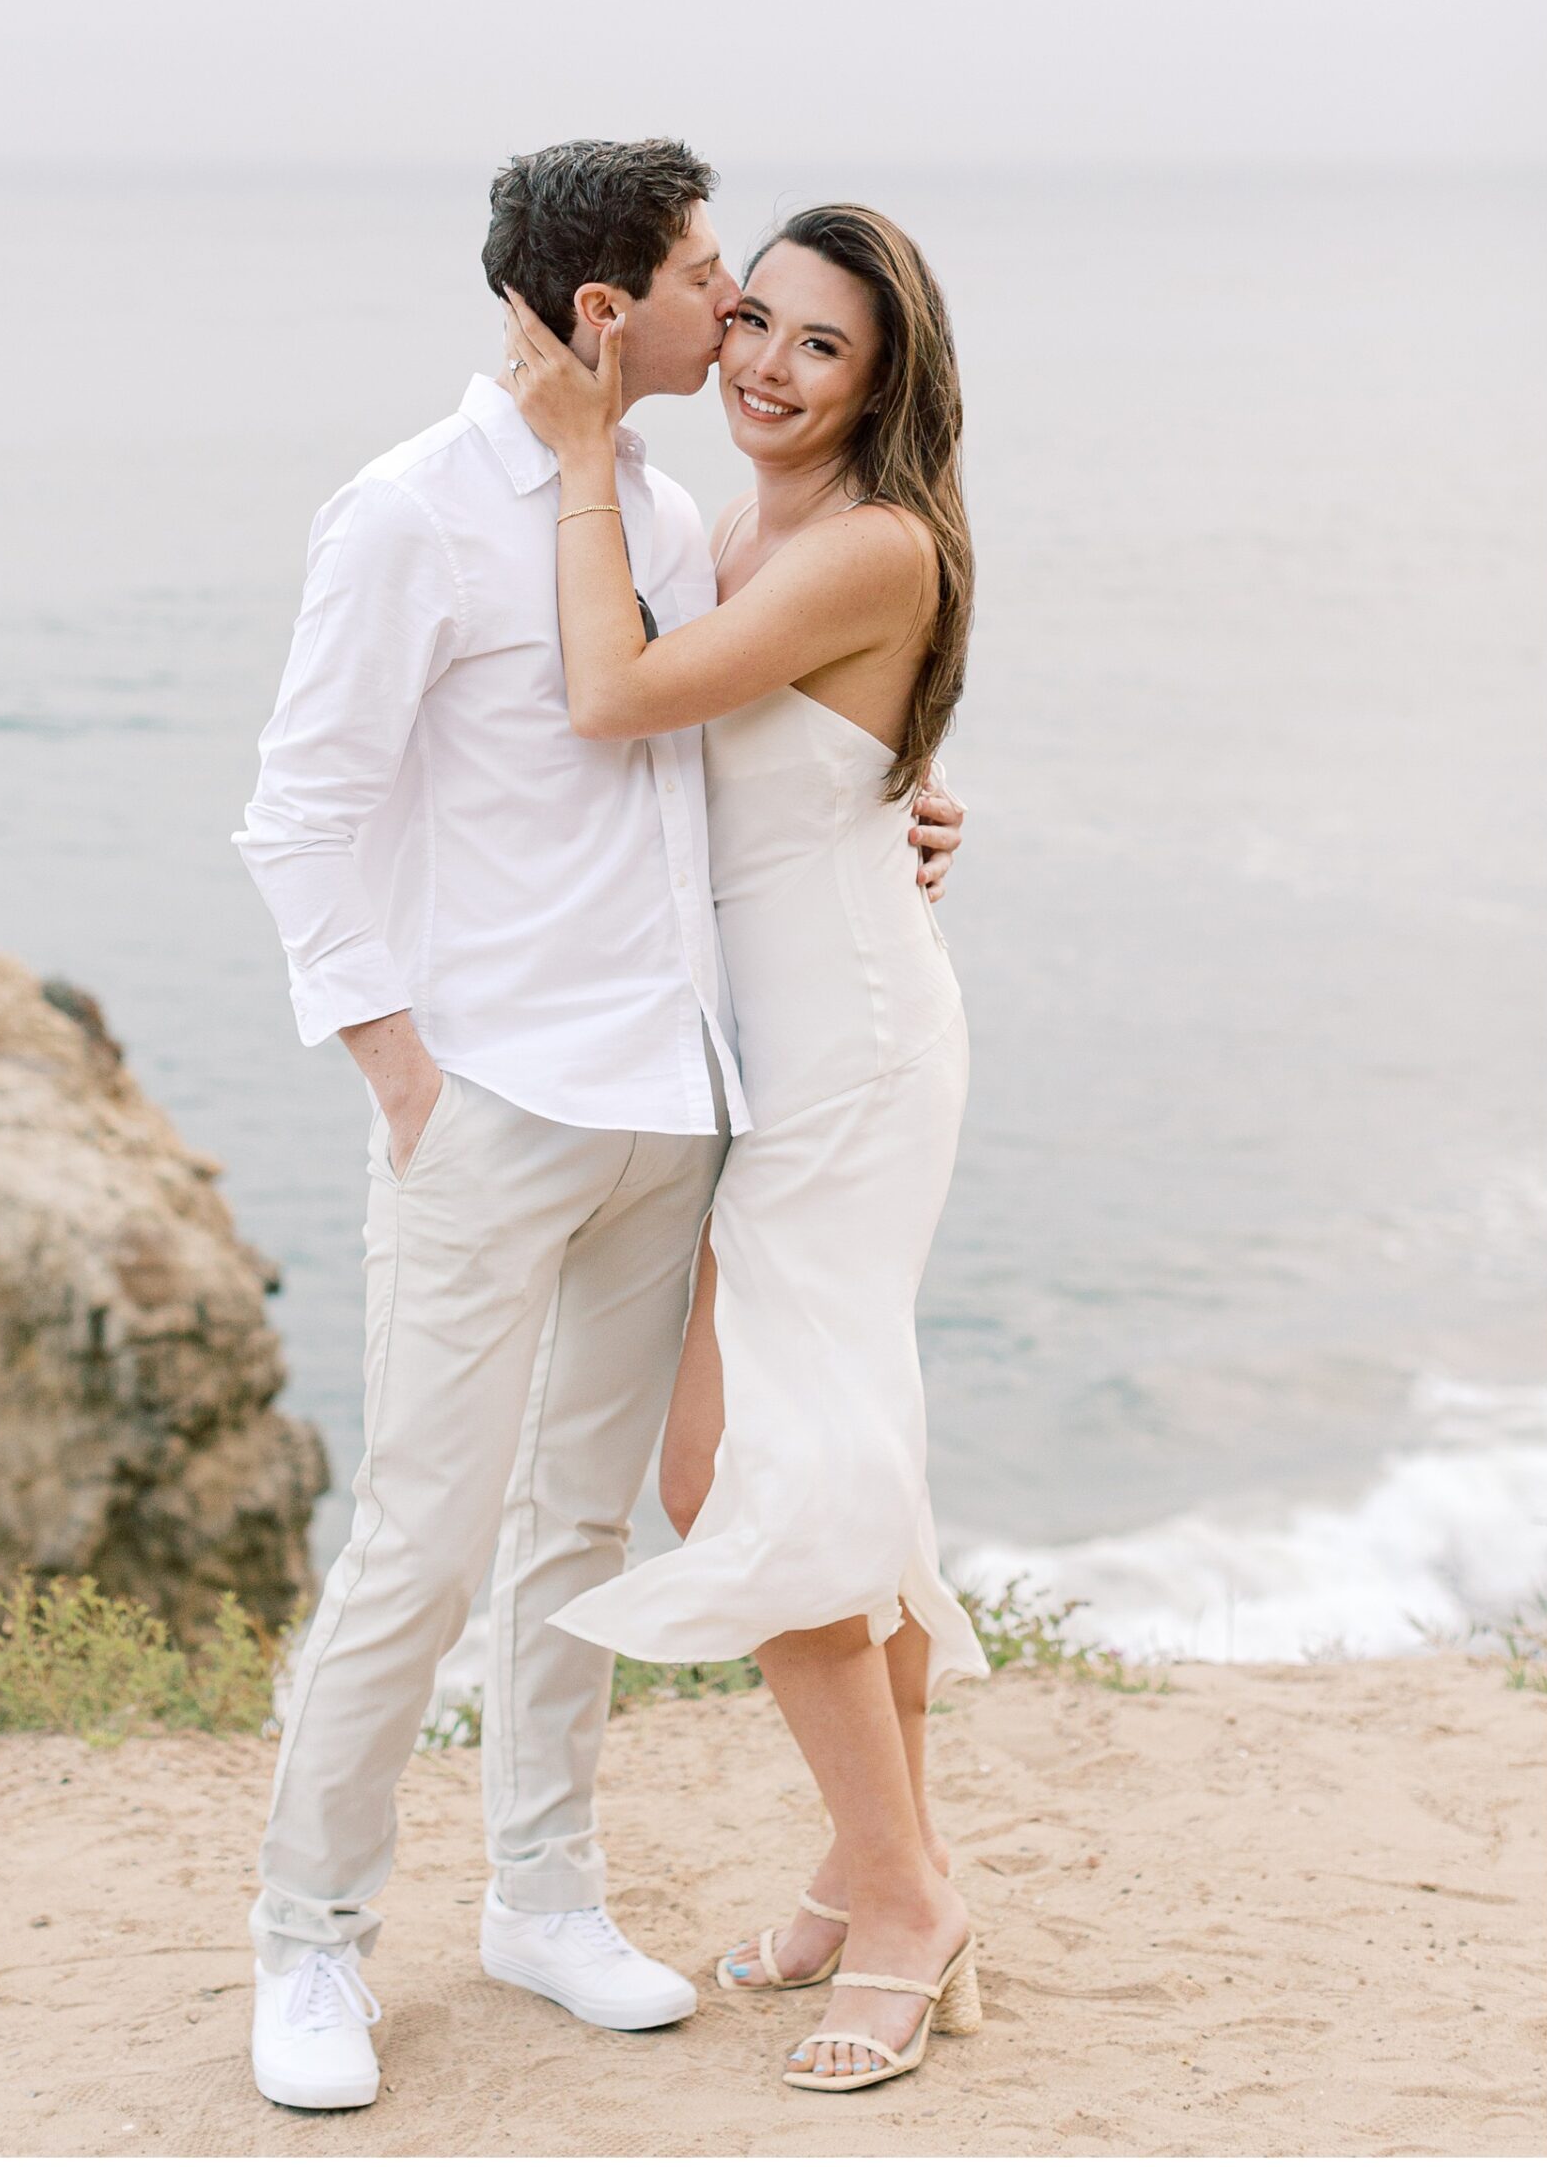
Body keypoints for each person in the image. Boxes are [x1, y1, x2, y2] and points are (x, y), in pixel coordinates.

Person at [232, 140, 966, 2111]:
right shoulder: (406, 514)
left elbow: (737, 759)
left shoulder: (656, 507)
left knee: (576, 1521)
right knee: (423, 1534)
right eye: (713, 279)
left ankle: (544, 1892)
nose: (736, 316)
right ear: (598, 312)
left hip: (683, 1096)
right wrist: (400, 1068)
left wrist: (894, 815)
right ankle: (311, 1936)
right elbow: (300, 812)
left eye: (774, 300)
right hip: (493, 1100)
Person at [500, 196, 984, 2096]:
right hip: (765, 1049)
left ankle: (906, 1893)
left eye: (821, 349)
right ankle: (880, 1870)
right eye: (758, 324)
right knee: (825, 1462)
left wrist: (576, 456)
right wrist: (916, 796)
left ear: (886, 381)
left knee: (743, 1472)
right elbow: (802, 766)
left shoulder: (865, 541)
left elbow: (615, 699)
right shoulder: (741, 527)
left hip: (844, 1060)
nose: (770, 371)